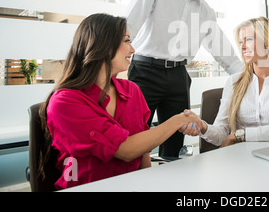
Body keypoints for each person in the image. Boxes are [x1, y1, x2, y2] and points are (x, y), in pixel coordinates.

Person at [39, 14, 200, 189]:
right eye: (126, 41)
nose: (132, 50)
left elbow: (142, 148)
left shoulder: (132, 90)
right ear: (102, 45)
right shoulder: (65, 102)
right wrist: (179, 120)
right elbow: (126, 150)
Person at [125, 0, 243, 157]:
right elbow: (130, 24)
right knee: (135, 136)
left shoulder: (205, 11)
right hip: (145, 72)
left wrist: (249, 75)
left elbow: (223, 51)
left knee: (174, 143)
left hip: (178, 76)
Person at [184, 16, 269, 147]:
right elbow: (221, 134)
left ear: (267, 42)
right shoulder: (233, 81)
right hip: (242, 157)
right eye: (240, 42)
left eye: (248, 39)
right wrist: (203, 127)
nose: (242, 47)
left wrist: (240, 135)